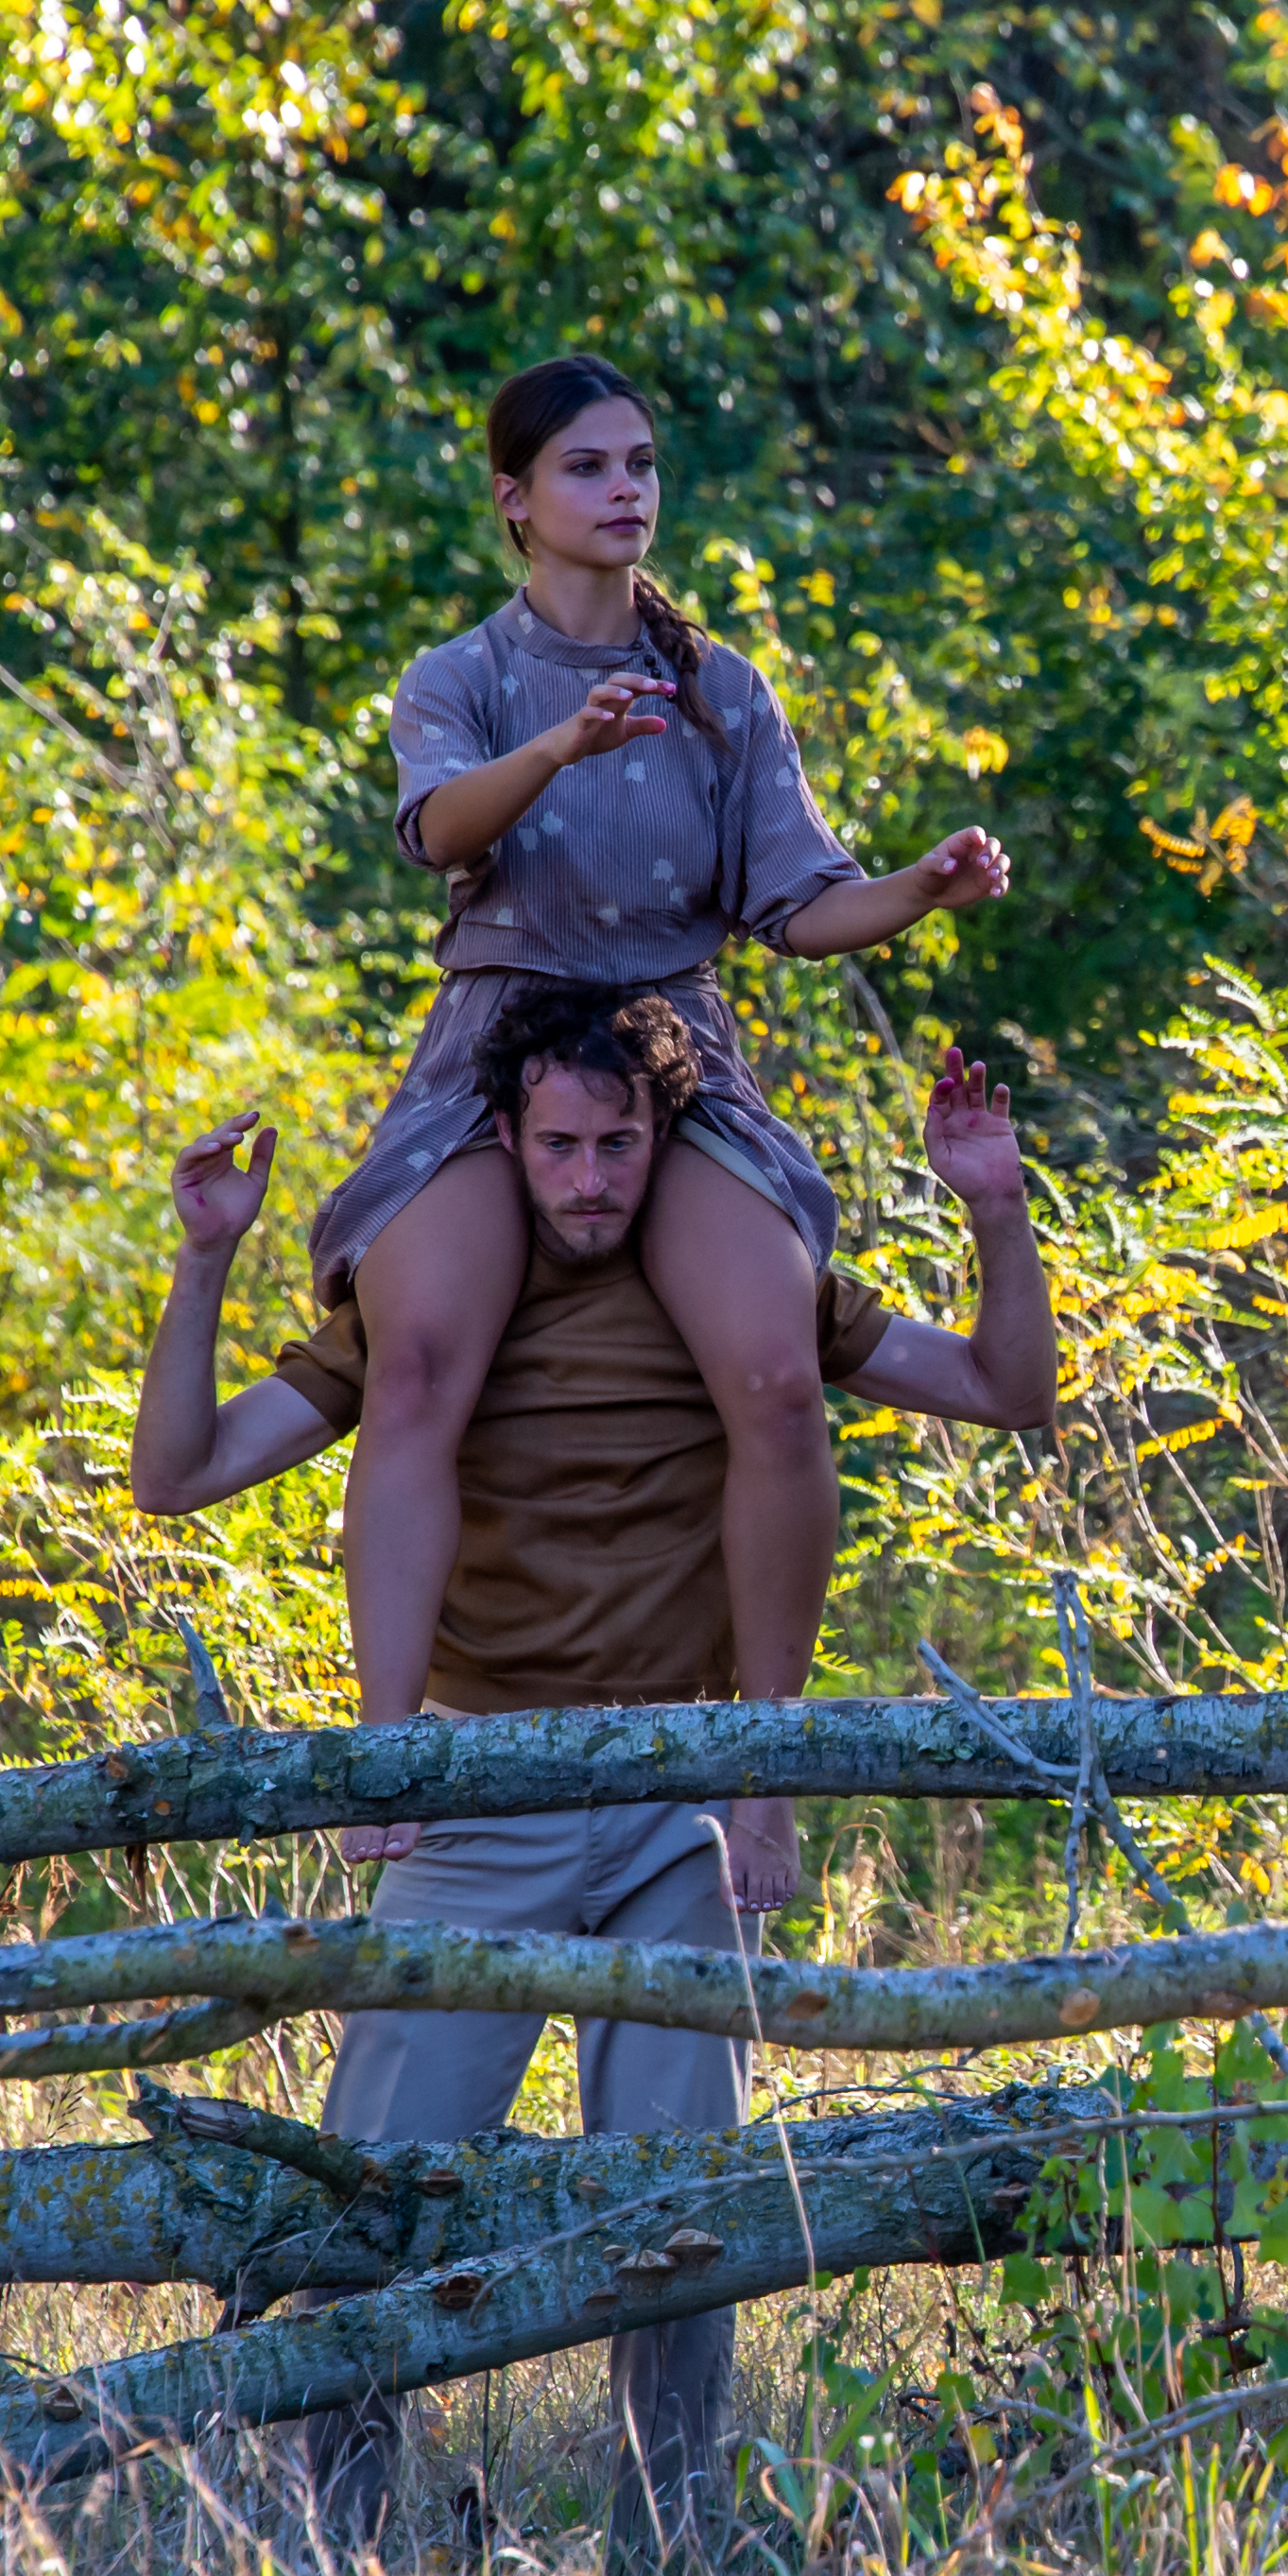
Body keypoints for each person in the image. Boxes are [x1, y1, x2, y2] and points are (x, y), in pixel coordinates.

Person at [132, 982, 1057, 2556]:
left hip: (682, 1796)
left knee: (675, 2205)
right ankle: (342, 2543)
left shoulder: (745, 1294)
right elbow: (181, 1473)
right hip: (480, 1789)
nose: (588, 1181)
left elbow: (1008, 1392)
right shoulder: (433, 1306)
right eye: (557, 1145)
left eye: (617, 1145)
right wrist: (206, 1249)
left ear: (661, 1141)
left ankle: (670, 2543)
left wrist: (995, 1204)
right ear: (505, 1140)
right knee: (377, 2190)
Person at [308, 350, 1015, 1828]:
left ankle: (761, 1767)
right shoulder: (466, 676)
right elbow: (440, 832)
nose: (623, 491)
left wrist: (920, 890)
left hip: (668, 1044)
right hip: (498, 1035)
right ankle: (380, 1769)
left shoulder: (722, 689)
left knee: (771, 1367)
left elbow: (800, 904)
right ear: (517, 499)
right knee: (418, 1359)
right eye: (586, 468)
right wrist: (561, 743)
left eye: (638, 466)